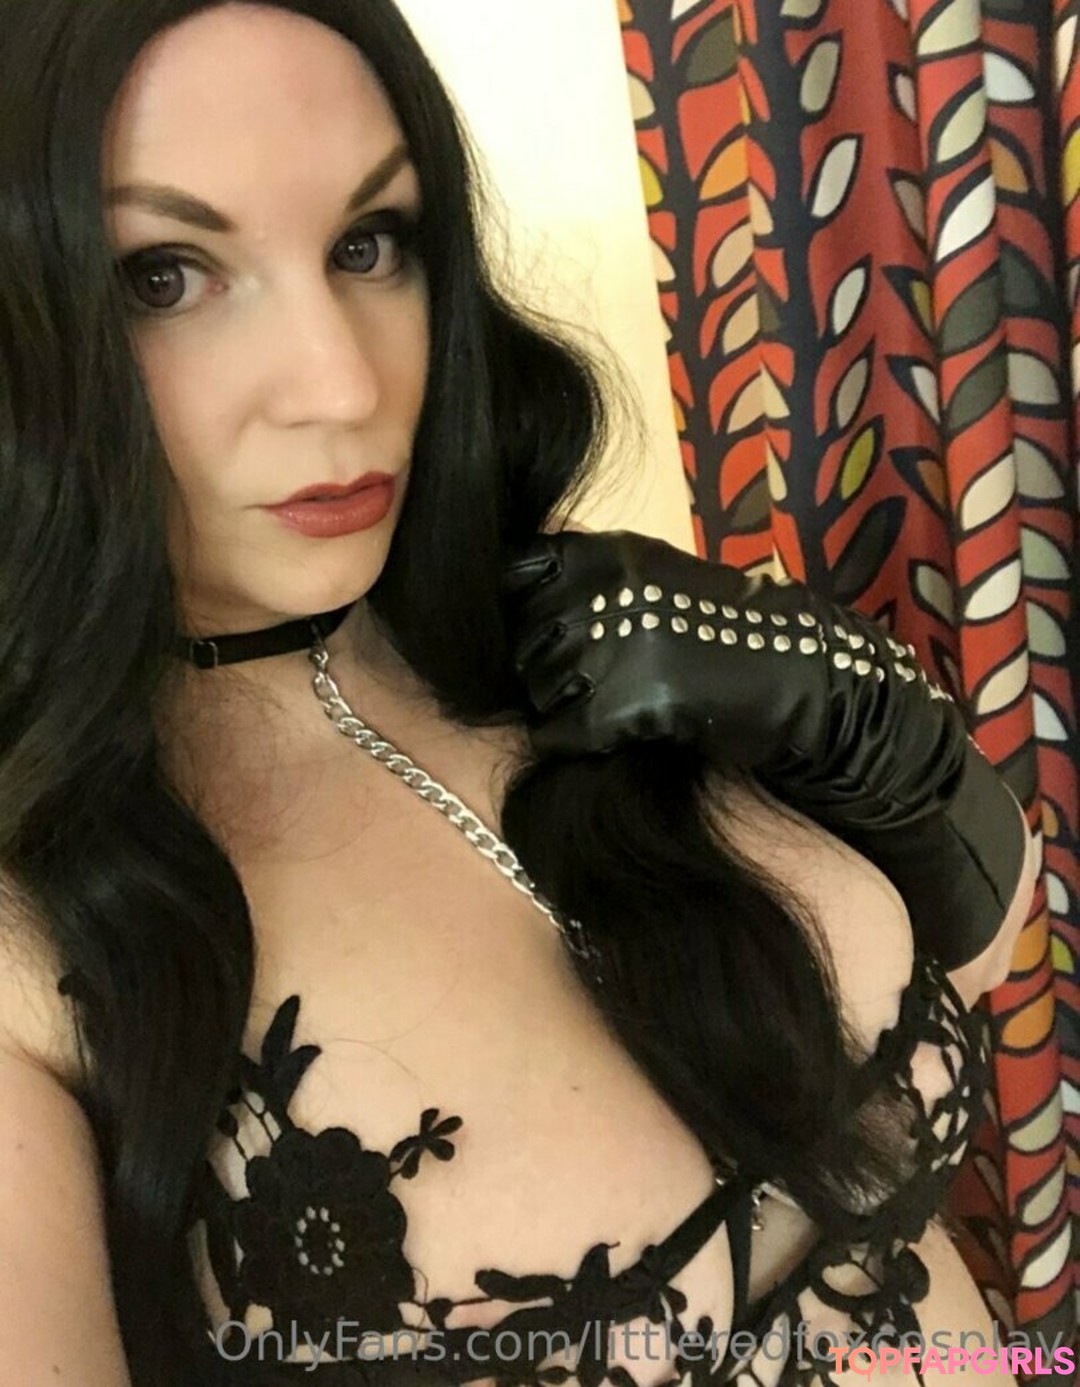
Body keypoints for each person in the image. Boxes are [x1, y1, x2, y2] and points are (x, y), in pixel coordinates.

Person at [0, 2, 1036, 1385]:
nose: (341, 385)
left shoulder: (564, 628)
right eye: (164, 275)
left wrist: (866, 721)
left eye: (369, 245)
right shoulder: (32, 942)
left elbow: (979, 964)